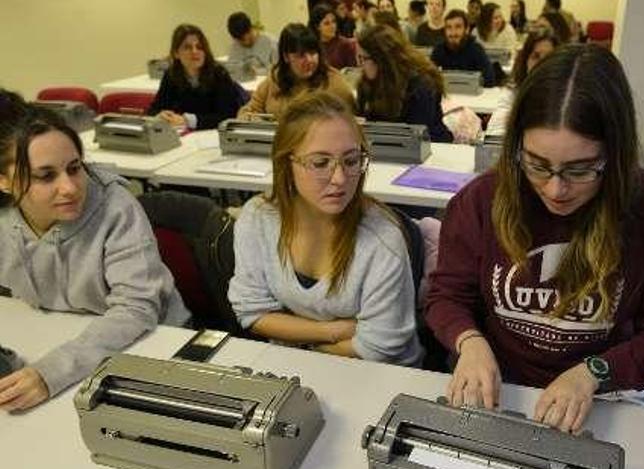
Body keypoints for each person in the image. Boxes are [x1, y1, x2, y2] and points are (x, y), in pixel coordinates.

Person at [426, 44, 644, 434]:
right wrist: (468, 341)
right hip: (502, 387)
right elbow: (447, 296)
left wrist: (593, 373)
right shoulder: (480, 201)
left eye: (580, 169)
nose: (556, 190)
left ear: (616, 156)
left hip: (605, 397)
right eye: (537, 165)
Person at [0, 92, 189, 411]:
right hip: (56, 335)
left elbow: (136, 308)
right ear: (4, 182)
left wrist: (52, 372)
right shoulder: (6, 217)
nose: (70, 187)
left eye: (74, 168)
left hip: (150, 341)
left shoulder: (115, 206)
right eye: (46, 176)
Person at [228, 91, 423, 366]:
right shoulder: (258, 218)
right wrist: (333, 331)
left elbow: (378, 346)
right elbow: (250, 312)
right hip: (299, 366)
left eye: (352, 160)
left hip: (379, 375)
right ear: (286, 164)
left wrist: (295, 337)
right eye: (320, 163)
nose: (340, 179)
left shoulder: (382, 239)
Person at [238, 23, 355, 120]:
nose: (309, 60)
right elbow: (248, 112)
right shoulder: (275, 79)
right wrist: (257, 121)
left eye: (313, 53)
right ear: (286, 57)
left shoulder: (333, 82)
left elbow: (352, 120)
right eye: (301, 55)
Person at [357, 24, 453, 142]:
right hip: (385, 146)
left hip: (430, 148)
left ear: (382, 59)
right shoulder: (367, 82)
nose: (359, 64)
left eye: (363, 58)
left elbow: (416, 135)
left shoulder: (421, 85)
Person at [148, 24, 244, 130]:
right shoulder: (171, 75)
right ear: (176, 53)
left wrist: (188, 121)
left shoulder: (219, 74)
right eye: (187, 47)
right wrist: (159, 116)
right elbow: (153, 109)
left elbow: (228, 116)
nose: (195, 51)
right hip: (183, 135)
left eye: (199, 47)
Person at [485, 26, 560, 136]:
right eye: (536, 56)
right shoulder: (513, 91)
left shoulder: (565, 93)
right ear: (526, 60)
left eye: (549, 58)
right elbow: (495, 133)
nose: (542, 64)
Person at [430, 9, 495, 87]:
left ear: (467, 29)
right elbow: (428, 76)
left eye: (458, 27)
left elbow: (489, 79)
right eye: (448, 27)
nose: (453, 32)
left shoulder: (476, 50)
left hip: (472, 96)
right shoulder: (439, 49)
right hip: (448, 94)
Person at [310, 3, 358, 69]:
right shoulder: (314, 45)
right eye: (327, 23)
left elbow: (353, 72)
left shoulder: (345, 44)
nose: (332, 26)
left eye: (334, 21)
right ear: (317, 27)